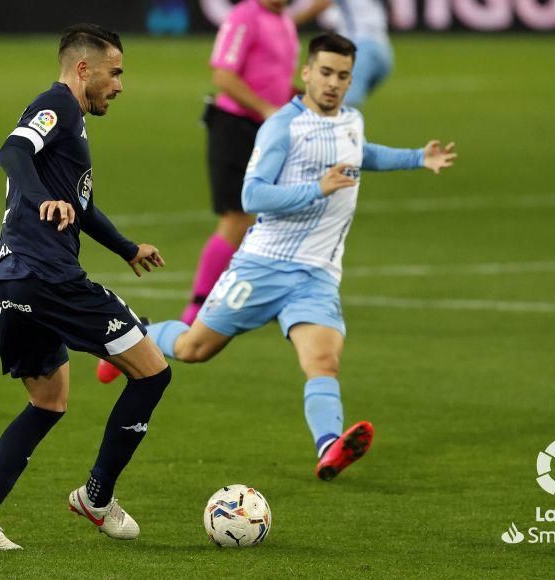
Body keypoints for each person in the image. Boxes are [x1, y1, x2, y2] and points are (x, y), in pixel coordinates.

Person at [98, 33, 456, 481]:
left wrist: (416, 158)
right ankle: (140, 331)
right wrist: (317, 188)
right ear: (306, 72)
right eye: (325, 72)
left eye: (343, 76)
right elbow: (253, 195)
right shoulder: (282, 126)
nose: (333, 83)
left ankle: (329, 447)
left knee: (323, 361)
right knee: (193, 348)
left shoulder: (351, 121)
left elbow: (360, 155)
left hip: (316, 275)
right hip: (262, 265)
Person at [0, 24, 172, 551]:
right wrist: (39, 201)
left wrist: (126, 248)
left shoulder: (71, 124)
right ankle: (96, 496)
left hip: (8, 280)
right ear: (84, 69)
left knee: (48, 401)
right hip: (48, 278)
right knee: (152, 373)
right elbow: (11, 152)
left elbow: (82, 207)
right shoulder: (57, 106)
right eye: (115, 72)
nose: (119, 85)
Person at [179, 0, 300, 326]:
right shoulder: (245, 16)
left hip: (266, 129)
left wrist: (302, 99)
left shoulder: (284, 20)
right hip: (235, 127)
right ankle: (197, 307)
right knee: (237, 217)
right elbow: (223, 74)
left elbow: (274, 77)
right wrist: (265, 107)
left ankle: (261, 298)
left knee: (269, 217)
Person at [294, 0, 394, 108]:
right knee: (340, 108)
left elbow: (322, 3)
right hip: (382, 48)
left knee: (337, 109)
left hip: (359, 48)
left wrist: (289, 20)